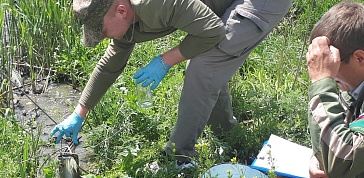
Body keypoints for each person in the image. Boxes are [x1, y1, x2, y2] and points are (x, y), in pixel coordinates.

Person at [50, 0, 292, 167]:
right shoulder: (125, 17)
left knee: (203, 65)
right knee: (208, 63)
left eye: (100, 30)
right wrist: (79, 112)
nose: (101, 37)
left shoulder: (153, 3)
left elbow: (212, 32)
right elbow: (111, 62)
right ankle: (227, 133)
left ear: (121, 11)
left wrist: (165, 61)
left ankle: (178, 158)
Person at [280, 2, 364, 178]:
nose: (325, 70)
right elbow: (343, 134)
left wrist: (321, 83)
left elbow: (341, 159)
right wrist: (321, 159)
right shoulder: (356, 85)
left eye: (332, 62)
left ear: (359, 58)